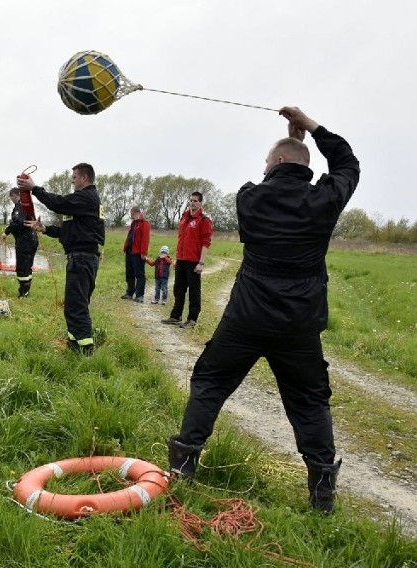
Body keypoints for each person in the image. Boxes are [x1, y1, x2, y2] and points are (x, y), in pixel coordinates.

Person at [167, 107, 360, 515]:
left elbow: (280, 179)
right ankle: (322, 491)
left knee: (211, 382)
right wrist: (311, 129)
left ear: (277, 163)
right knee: (309, 402)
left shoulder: (249, 197)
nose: (263, 165)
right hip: (299, 324)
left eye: (267, 160)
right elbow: (347, 162)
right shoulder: (324, 199)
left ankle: (183, 464)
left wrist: (295, 147)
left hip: (247, 318)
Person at [20, 163, 105, 354]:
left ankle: (85, 352)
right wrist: (45, 229)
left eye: (74, 177)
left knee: (76, 306)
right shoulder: (84, 202)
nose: (71, 180)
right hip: (82, 258)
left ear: (84, 178)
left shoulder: (86, 197)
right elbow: (68, 232)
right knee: (75, 305)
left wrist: (34, 189)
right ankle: (75, 346)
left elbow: (58, 203)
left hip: (82, 259)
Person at [161, 191, 213, 329]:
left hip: (194, 261)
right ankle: (175, 316)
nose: (192, 203)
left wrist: (201, 262)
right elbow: (180, 239)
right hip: (181, 259)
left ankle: (192, 319)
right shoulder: (184, 217)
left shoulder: (204, 220)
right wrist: (177, 259)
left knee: (194, 291)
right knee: (179, 289)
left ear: (201, 203)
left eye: (195, 201)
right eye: (191, 200)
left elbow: (206, 242)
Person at [2, 187, 39, 297]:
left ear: (14, 195)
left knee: (22, 267)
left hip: (25, 241)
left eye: (11, 198)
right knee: (27, 266)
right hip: (32, 239)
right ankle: (26, 291)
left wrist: (6, 232)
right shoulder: (27, 206)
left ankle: (23, 292)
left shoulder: (20, 206)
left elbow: (18, 222)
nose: (11, 200)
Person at [121, 206, 150, 302]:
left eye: (131, 213)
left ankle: (139, 295)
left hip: (138, 253)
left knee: (139, 274)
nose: (130, 215)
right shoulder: (133, 223)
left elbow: (145, 239)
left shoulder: (144, 223)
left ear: (134, 212)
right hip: (130, 251)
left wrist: (143, 252)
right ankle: (130, 292)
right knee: (129, 273)